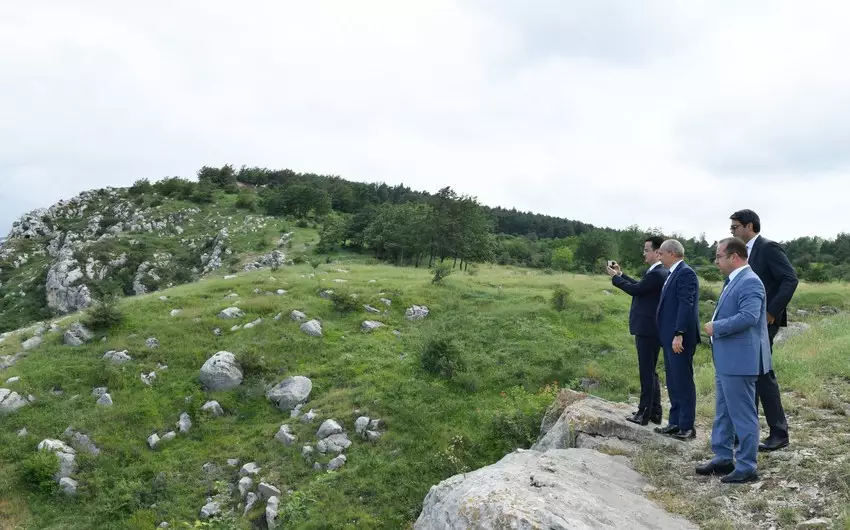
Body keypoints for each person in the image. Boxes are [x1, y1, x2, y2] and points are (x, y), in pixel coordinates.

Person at [697, 237, 771, 483]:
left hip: (740, 360)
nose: (715, 261)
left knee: (742, 414)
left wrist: (716, 327)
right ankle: (722, 458)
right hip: (728, 359)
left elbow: (749, 316)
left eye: (718, 256)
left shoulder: (750, 282)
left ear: (734, 256)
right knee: (723, 412)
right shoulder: (734, 280)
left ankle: (747, 466)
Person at [730, 209, 797, 452]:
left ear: (749, 226)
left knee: (762, 373)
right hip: (746, 321)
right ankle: (746, 431)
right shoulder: (741, 254)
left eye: (735, 227)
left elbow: (790, 279)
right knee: (748, 373)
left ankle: (779, 433)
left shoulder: (768, 248)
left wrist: (772, 312)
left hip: (765, 321)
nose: (732, 232)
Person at [606, 236, 669, 426]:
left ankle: (643, 413)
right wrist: (621, 274)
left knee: (646, 372)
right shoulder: (658, 272)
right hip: (652, 328)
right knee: (651, 371)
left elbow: (636, 290)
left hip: (647, 328)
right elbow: (639, 286)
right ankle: (655, 412)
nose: (644, 253)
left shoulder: (657, 273)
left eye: (646, 250)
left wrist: (615, 278)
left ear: (657, 252)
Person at [654, 239, 700, 440]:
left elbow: (685, 304)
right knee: (673, 381)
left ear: (672, 253)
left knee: (683, 381)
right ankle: (675, 422)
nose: (659, 257)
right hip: (669, 337)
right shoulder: (673, 273)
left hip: (679, 338)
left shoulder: (686, 273)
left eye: (661, 253)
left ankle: (687, 426)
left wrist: (679, 333)